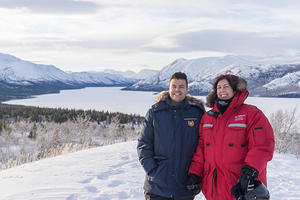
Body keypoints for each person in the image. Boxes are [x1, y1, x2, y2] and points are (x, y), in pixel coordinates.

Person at [187, 74, 275, 200]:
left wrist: (250, 171)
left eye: (226, 86)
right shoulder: (207, 118)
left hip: (241, 186)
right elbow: (201, 149)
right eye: (219, 87)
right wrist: (194, 173)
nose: (222, 90)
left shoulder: (252, 114)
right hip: (213, 187)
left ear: (234, 89)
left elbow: (263, 145)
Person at [137, 72, 205, 200]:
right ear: (168, 88)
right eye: (174, 86)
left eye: (181, 86)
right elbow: (144, 143)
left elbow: (203, 145)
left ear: (187, 89)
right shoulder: (155, 112)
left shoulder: (197, 113)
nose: (177, 90)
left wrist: (196, 175)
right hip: (157, 187)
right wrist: (152, 170)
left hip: (185, 185)